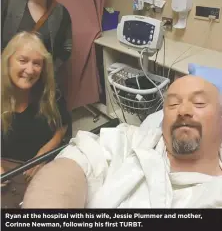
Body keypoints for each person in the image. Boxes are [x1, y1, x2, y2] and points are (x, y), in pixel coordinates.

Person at [22, 75, 222, 208]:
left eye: (199, 103)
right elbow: (74, 163)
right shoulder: (130, 140)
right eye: (173, 103)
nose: (183, 110)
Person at [1, 31, 72, 180]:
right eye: (23, 60)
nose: (30, 70)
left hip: (45, 172)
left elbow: (63, 126)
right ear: (8, 61)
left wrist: (44, 154)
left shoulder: (51, 93)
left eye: (36, 63)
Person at [1, 0, 72, 74]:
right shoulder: (7, 2)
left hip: (40, 83)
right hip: (7, 79)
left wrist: (49, 71)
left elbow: (67, 48)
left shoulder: (61, 12)